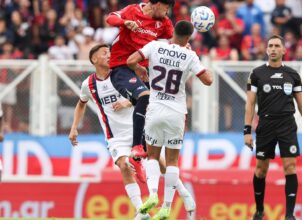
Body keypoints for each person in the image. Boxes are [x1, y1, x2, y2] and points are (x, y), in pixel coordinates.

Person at [127, 20, 213, 219]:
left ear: (173, 31)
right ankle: (167, 207)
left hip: (155, 109)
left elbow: (131, 60)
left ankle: (153, 195)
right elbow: (208, 80)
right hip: (176, 112)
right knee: (172, 160)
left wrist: (140, 70)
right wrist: (198, 63)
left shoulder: (155, 46)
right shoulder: (190, 55)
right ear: (189, 38)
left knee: (152, 156)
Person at [68, 44, 149, 220]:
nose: (109, 55)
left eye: (110, 53)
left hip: (137, 129)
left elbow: (143, 95)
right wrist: (74, 127)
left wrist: (128, 102)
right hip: (115, 136)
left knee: (161, 163)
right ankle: (141, 211)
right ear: (94, 59)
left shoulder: (123, 74)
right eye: (104, 53)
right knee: (123, 165)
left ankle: (179, 189)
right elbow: (81, 104)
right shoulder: (88, 84)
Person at [244, 35, 302, 220]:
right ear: (266, 49)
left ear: (284, 50)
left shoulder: (293, 75)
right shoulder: (256, 74)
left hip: (287, 124)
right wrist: (247, 131)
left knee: (290, 166)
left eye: (277, 46)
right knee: (261, 169)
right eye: (270, 46)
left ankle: (290, 215)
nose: (273, 49)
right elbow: (250, 104)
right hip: (266, 124)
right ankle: (260, 210)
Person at [105, 0, 175, 160]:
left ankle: (142, 151)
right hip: (122, 67)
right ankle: (136, 146)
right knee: (145, 96)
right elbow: (110, 18)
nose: (167, 12)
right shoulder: (133, 11)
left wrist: (184, 45)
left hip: (142, 71)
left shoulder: (163, 22)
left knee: (158, 104)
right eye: (166, 8)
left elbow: (173, 37)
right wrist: (125, 22)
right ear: (157, 4)